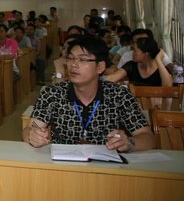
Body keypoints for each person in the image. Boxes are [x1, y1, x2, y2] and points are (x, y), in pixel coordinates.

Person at [22, 36, 154, 152]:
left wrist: (129, 143)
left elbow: (148, 138)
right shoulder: (52, 94)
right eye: (70, 58)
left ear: (100, 67)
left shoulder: (119, 95)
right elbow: (29, 129)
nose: (74, 64)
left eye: (82, 59)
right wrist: (32, 135)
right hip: (63, 165)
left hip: (106, 167)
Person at [105, 38, 172, 87]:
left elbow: (168, 87)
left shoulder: (161, 70)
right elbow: (112, 78)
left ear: (146, 53)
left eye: (135, 50)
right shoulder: (131, 66)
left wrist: (158, 59)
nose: (132, 53)